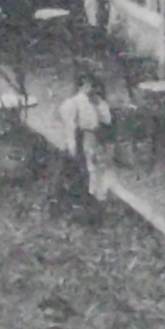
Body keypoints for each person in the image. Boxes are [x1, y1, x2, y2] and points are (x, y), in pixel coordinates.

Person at [57, 71, 112, 221]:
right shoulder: (73, 103)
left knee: (98, 167)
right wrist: (72, 146)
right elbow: (70, 126)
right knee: (85, 169)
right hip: (81, 137)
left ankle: (95, 201)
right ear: (83, 86)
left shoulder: (96, 102)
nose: (90, 89)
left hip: (95, 137)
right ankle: (83, 203)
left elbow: (107, 120)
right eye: (87, 85)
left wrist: (99, 104)